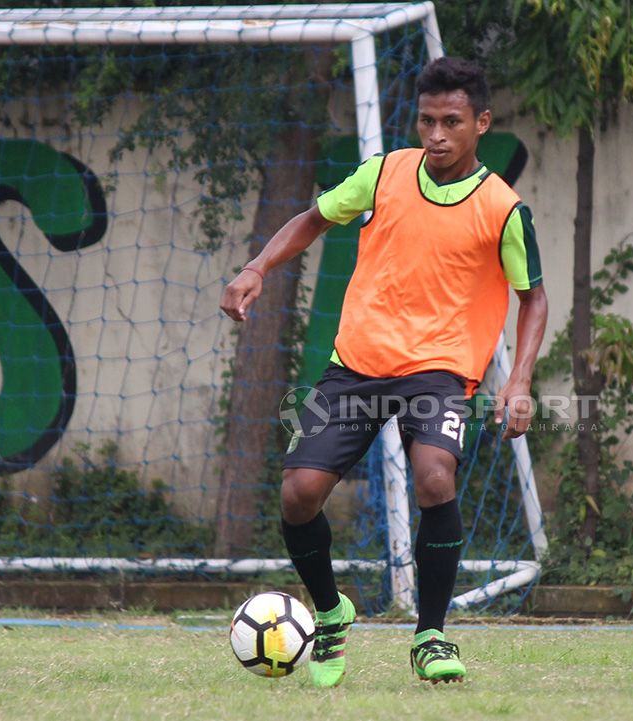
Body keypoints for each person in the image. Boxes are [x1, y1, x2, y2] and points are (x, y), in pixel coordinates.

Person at [220, 56, 548, 687]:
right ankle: (332, 613)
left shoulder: (503, 208)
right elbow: (314, 218)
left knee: (433, 475)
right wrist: (257, 267)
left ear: (482, 123)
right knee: (298, 495)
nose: (437, 135)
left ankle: (430, 636)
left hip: (440, 370)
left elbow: (533, 296)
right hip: (359, 364)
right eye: (427, 120)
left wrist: (520, 381)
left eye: (452, 122)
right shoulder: (384, 173)